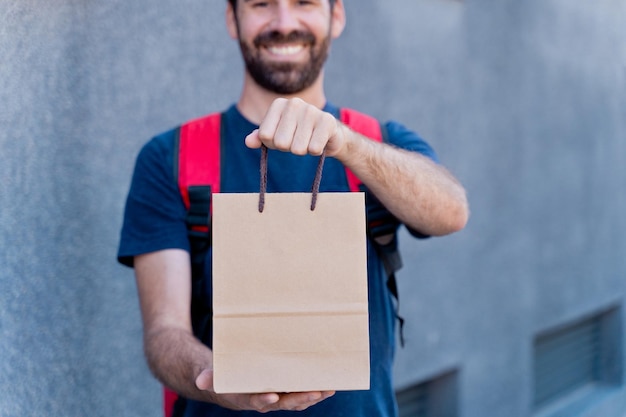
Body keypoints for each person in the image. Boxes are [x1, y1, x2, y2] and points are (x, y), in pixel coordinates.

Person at [117, 0, 469, 415]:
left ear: (336, 16)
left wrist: (348, 144)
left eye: (304, 3)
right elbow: (164, 333)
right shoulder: (173, 158)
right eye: (262, 4)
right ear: (232, 19)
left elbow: (452, 211)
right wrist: (216, 379)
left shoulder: (376, 142)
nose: (284, 24)